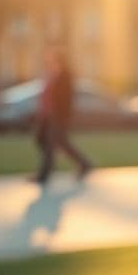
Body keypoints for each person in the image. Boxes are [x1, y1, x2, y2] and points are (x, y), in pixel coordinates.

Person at [31, 47, 92, 184]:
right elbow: (45, 96)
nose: (47, 60)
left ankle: (44, 175)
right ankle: (85, 164)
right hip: (47, 115)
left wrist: (63, 116)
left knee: (51, 144)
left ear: (58, 59)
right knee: (49, 141)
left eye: (51, 57)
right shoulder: (51, 74)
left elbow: (67, 99)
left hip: (57, 116)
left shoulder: (65, 75)